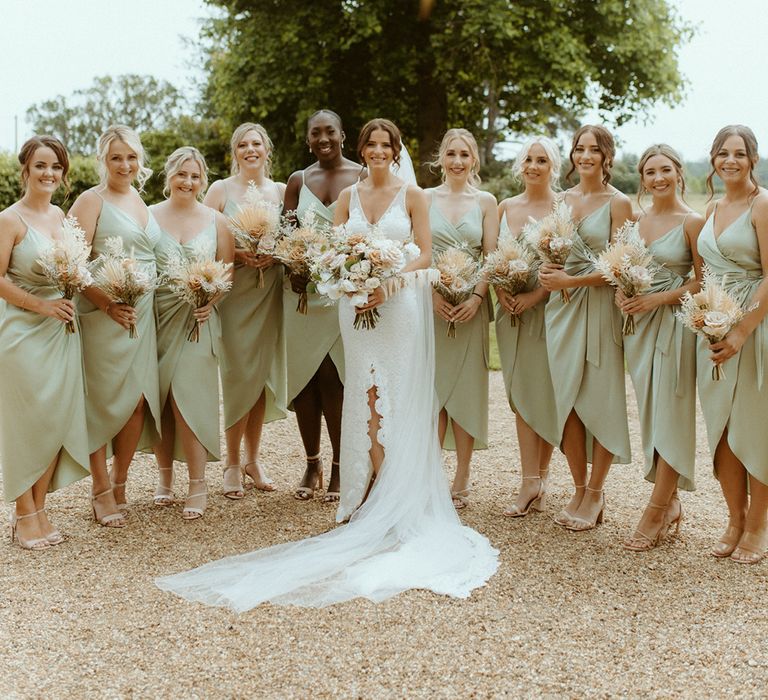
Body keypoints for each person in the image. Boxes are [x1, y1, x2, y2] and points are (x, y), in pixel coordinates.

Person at [156, 119, 498, 609]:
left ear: (394, 151)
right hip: (355, 305)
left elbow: (424, 254)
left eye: (386, 145)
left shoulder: (413, 196)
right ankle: (368, 496)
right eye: (371, 144)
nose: (378, 151)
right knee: (366, 395)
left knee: (396, 396)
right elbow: (332, 253)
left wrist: (386, 279)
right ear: (362, 150)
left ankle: (400, 500)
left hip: (397, 305)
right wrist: (351, 282)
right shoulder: (346, 200)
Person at [539, 124, 633, 531]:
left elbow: (621, 268)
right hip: (560, 310)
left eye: (594, 150)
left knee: (601, 397)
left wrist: (571, 281)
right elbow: (548, 250)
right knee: (568, 403)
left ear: (607, 157)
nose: (585, 156)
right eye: (580, 149)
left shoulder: (619, 203)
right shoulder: (559, 200)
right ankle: (579, 487)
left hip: (598, 308)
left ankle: (596, 492)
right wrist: (546, 271)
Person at [0, 136, 90, 548]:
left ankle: (38, 511)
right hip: (22, 332)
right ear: (25, 169)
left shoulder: (63, 218)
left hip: (62, 332)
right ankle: (22, 512)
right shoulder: (10, 220)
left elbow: (77, 272)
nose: (49, 173)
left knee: (54, 420)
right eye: (40, 165)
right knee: (26, 424)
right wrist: (41, 305)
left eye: (56, 167)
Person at [68, 125, 161, 519]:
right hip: (104, 315)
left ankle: (120, 480)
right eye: (116, 158)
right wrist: (107, 305)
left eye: (131, 157)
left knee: (138, 401)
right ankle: (99, 486)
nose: (125, 165)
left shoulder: (142, 201)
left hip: (142, 314)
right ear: (103, 161)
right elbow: (72, 266)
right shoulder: (91, 201)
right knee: (103, 401)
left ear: (140, 160)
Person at [619, 145, 703, 551]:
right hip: (637, 328)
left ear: (679, 172)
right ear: (642, 178)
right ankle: (670, 505)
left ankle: (654, 509)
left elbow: (702, 282)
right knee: (651, 413)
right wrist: (624, 294)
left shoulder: (693, 221)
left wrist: (655, 299)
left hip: (673, 325)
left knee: (670, 414)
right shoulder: (637, 220)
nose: (658, 178)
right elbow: (627, 269)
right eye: (650, 172)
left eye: (665, 170)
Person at [203, 123, 286, 500]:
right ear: (234, 152)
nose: (250, 150)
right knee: (238, 374)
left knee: (262, 376)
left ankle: (253, 458)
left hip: (269, 293)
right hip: (235, 293)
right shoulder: (220, 190)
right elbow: (200, 236)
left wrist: (276, 253)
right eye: (242, 145)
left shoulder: (282, 191)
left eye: (256, 144)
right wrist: (238, 253)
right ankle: (232, 462)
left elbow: (293, 238)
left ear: (267, 150)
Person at [150, 147, 234, 520]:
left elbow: (227, 271)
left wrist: (211, 301)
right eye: (181, 174)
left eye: (195, 176)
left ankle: (198, 483)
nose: (188, 182)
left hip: (198, 320)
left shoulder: (217, 220)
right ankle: (164, 479)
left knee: (191, 399)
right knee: (162, 400)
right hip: (159, 317)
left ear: (203, 180)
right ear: (169, 175)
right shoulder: (148, 217)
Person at [697, 125, 768, 564]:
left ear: (753, 160)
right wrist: (706, 317)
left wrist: (742, 330)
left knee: (754, 427)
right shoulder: (711, 206)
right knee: (720, 429)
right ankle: (734, 518)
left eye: (739, 154)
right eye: (723, 153)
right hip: (714, 325)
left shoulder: (762, 206)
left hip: (755, 327)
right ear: (713, 159)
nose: (730, 161)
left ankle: (759, 523)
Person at [282, 110, 359, 502]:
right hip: (303, 297)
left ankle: (342, 466)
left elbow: (369, 231)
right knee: (305, 383)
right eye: (316, 133)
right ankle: (312, 462)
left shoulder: (361, 176)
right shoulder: (298, 180)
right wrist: (292, 266)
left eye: (330, 131)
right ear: (308, 139)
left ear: (343, 134)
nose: (324, 138)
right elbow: (286, 233)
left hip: (343, 293)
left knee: (336, 379)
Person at [426, 128, 497, 508]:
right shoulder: (423, 198)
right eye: (450, 154)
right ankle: (432, 471)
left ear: (474, 161)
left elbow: (490, 256)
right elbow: (418, 249)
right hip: (431, 305)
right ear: (441, 158)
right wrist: (433, 293)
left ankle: (463, 474)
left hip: (472, 304)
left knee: (468, 388)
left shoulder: (486, 201)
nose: (456, 161)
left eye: (464, 155)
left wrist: (475, 297)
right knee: (432, 389)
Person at [495, 137, 561, 517]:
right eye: (529, 160)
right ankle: (534, 478)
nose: (534, 166)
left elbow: (565, 263)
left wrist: (536, 296)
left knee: (542, 392)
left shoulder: (562, 207)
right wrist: (501, 292)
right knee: (519, 393)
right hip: (509, 312)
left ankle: (534, 479)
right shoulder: (506, 206)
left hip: (545, 310)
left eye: (542, 160)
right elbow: (493, 256)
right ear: (520, 165)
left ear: (553, 166)